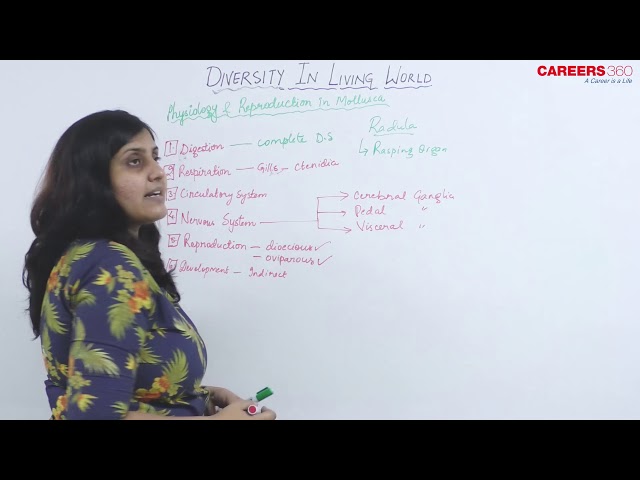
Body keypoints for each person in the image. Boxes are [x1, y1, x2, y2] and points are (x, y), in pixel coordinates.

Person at [22, 109, 277, 420]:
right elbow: (95, 416)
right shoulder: (109, 267)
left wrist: (197, 397)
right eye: (135, 161)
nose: (158, 172)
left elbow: (107, 388)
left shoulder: (90, 256)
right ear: (93, 180)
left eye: (155, 158)